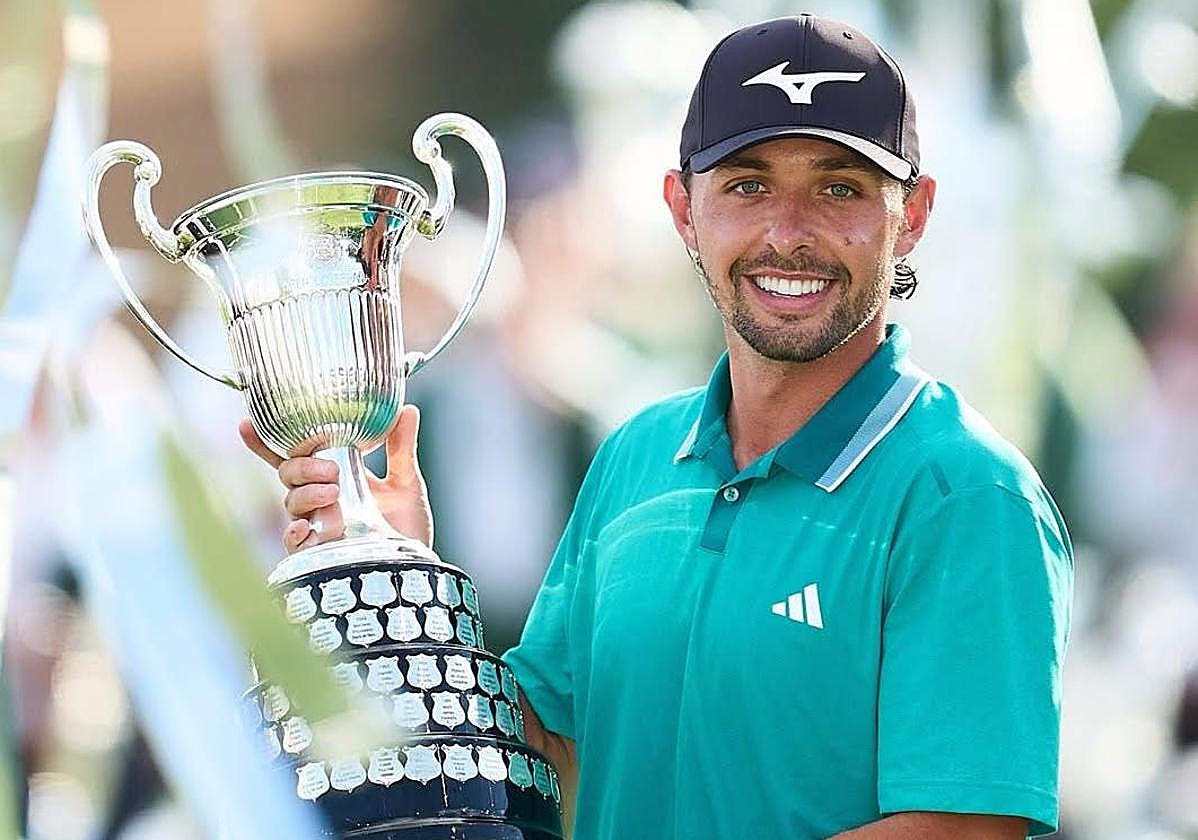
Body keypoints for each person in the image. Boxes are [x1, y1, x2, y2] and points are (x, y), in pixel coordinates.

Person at [240, 14, 1073, 840]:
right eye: (747, 186)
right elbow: (551, 761)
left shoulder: (967, 495)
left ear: (913, 214)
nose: (789, 233)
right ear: (683, 209)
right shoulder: (635, 457)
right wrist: (400, 580)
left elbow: (958, 833)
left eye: (839, 189)